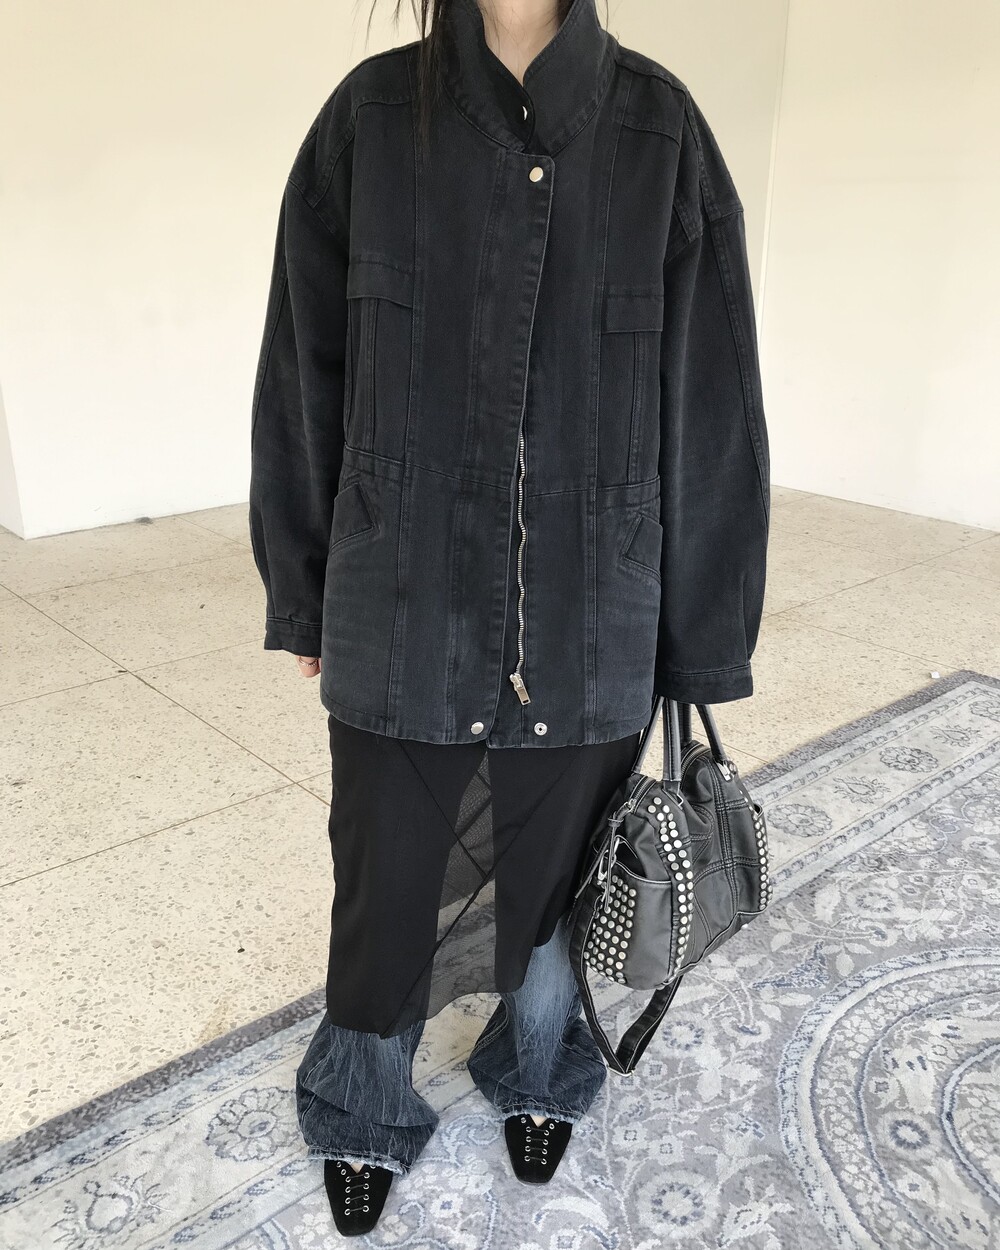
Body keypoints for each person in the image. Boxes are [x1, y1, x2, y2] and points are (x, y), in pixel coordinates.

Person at [248, 0, 769, 1236]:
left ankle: (540, 1068)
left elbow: (711, 401)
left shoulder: (660, 128)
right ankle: (361, 1096)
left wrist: (699, 634)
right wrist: (305, 581)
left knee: (557, 872)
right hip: (402, 592)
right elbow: (304, 369)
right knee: (384, 876)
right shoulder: (370, 120)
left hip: (595, 605)